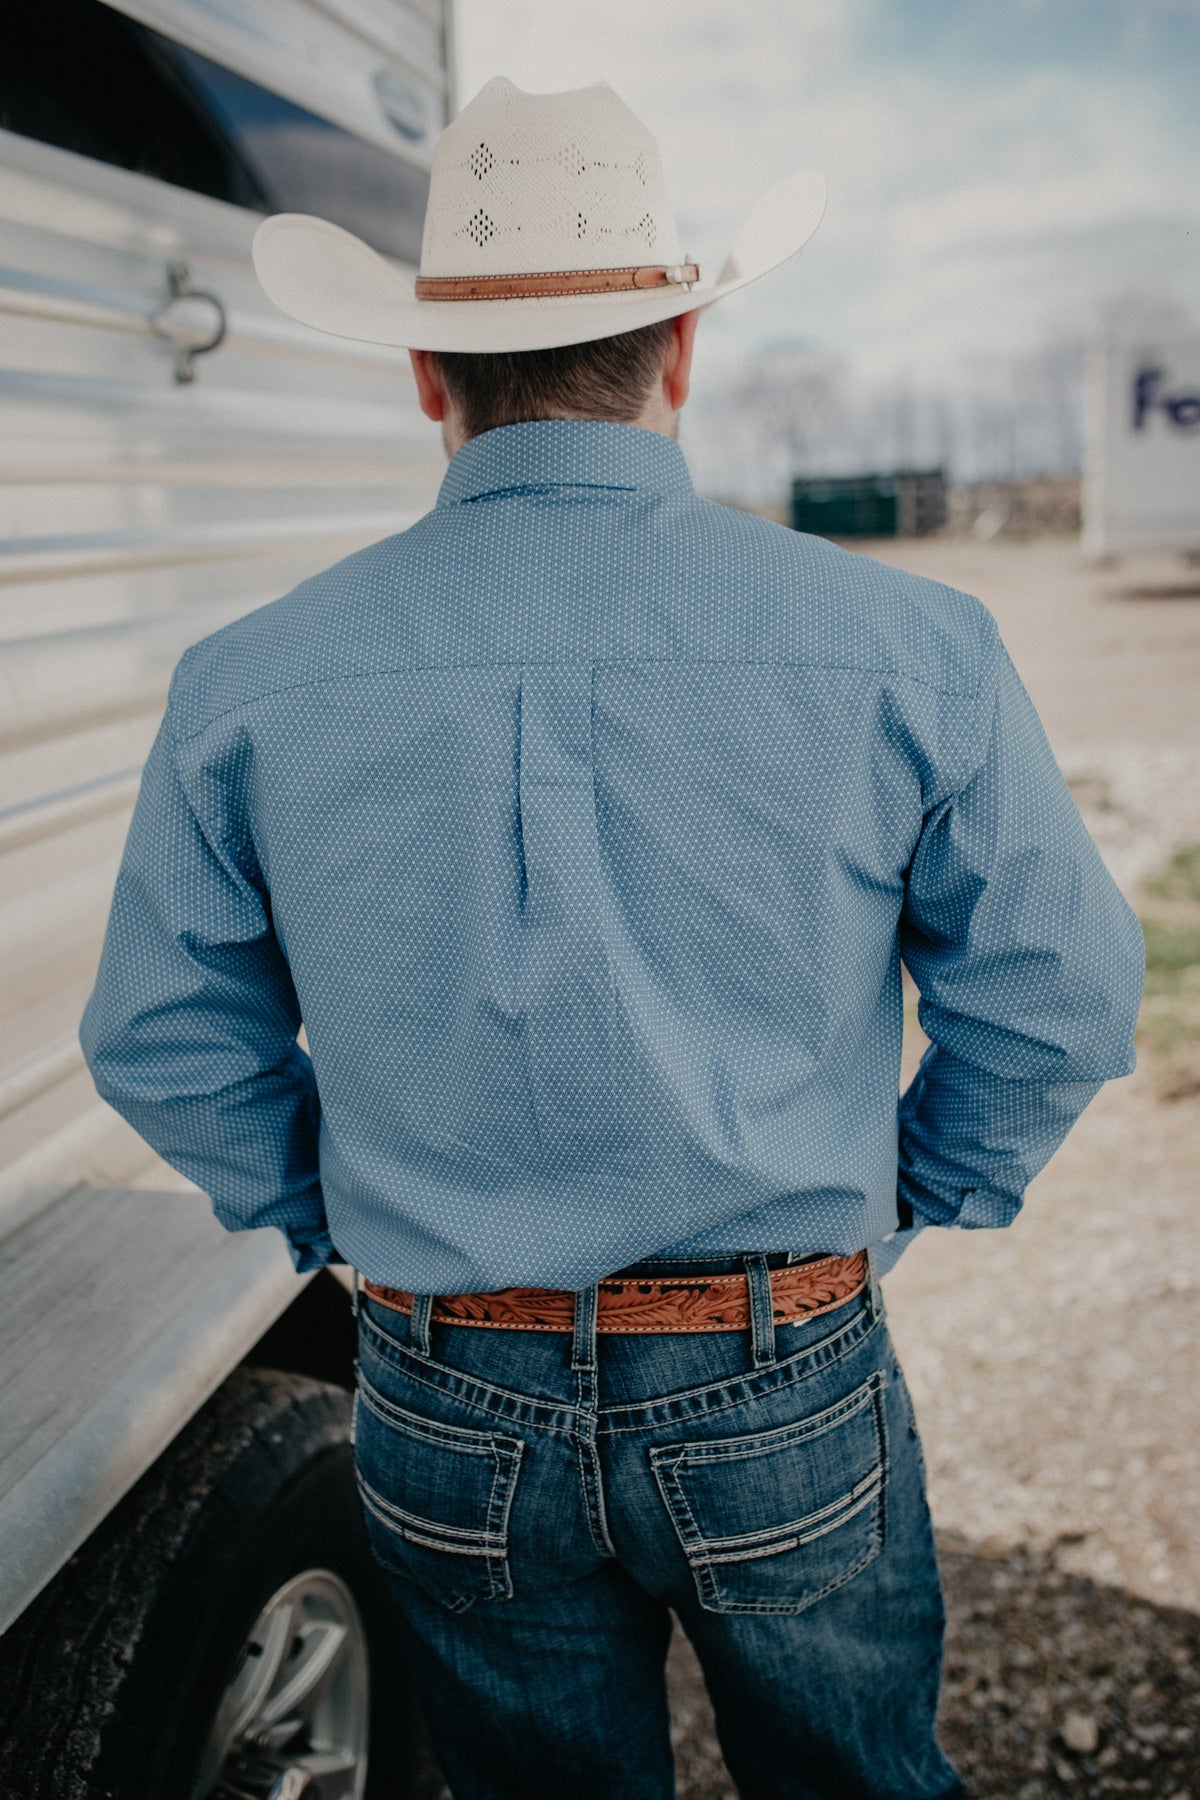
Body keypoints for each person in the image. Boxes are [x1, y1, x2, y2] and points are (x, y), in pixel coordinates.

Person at [81, 76, 1144, 1800]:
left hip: (443, 1381)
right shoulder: (911, 643)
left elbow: (156, 1036)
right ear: (683, 355)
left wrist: (325, 1211)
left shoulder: (247, 685)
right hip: (779, 1359)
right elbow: (1066, 999)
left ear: (426, 376)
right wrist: (902, 1204)